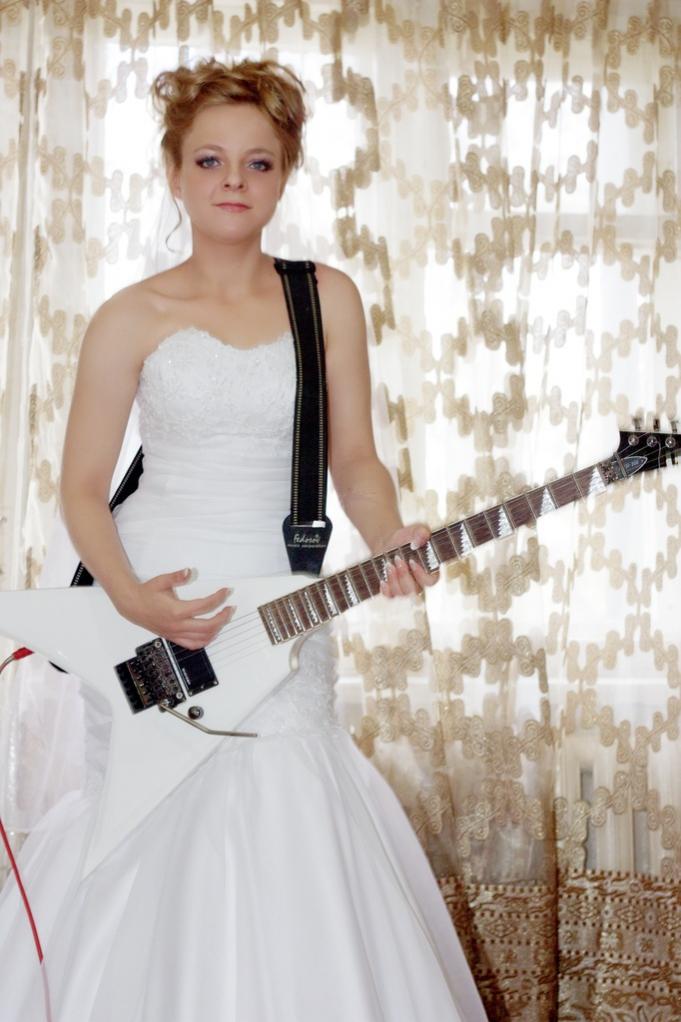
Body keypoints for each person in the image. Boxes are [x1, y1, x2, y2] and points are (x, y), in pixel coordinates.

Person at [0, 57, 487, 1021]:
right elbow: (81, 491)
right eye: (210, 160)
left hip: (280, 596)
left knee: (287, 791)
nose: (233, 181)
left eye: (258, 162)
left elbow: (355, 459)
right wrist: (132, 598)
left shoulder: (326, 297)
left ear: (285, 173)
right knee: (147, 813)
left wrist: (387, 538)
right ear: (174, 173)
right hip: (147, 603)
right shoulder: (130, 315)